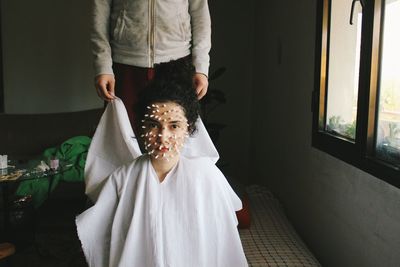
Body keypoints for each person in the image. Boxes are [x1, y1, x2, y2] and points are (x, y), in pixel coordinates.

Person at [76, 69, 248, 266]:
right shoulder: (122, 177)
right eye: (153, 125)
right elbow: (101, 235)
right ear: (141, 127)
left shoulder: (206, 175)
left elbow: (224, 240)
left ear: (189, 128)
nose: (163, 137)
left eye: (174, 126)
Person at [91, 0, 211, 130]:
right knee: (123, 136)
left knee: (174, 138)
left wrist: (201, 67)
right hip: (126, 64)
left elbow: (201, 18)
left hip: (177, 63)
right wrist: (103, 66)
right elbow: (99, 19)